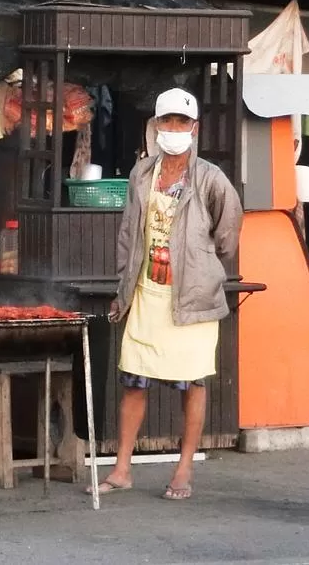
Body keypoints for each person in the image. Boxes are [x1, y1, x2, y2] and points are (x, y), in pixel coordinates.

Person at [92, 88, 243, 500]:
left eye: (182, 122)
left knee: (192, 384)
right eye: (167, 122)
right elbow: (127, 236)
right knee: (133, 382)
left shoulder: (211, 178)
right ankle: (121, 469)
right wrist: (123, 289)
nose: (174, 129)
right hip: (146, 293)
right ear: (155, 127)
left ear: (195, 128)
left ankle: (183, 470)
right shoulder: (142, 174)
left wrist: (198, 259)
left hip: (192, 297)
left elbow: (228, 234)